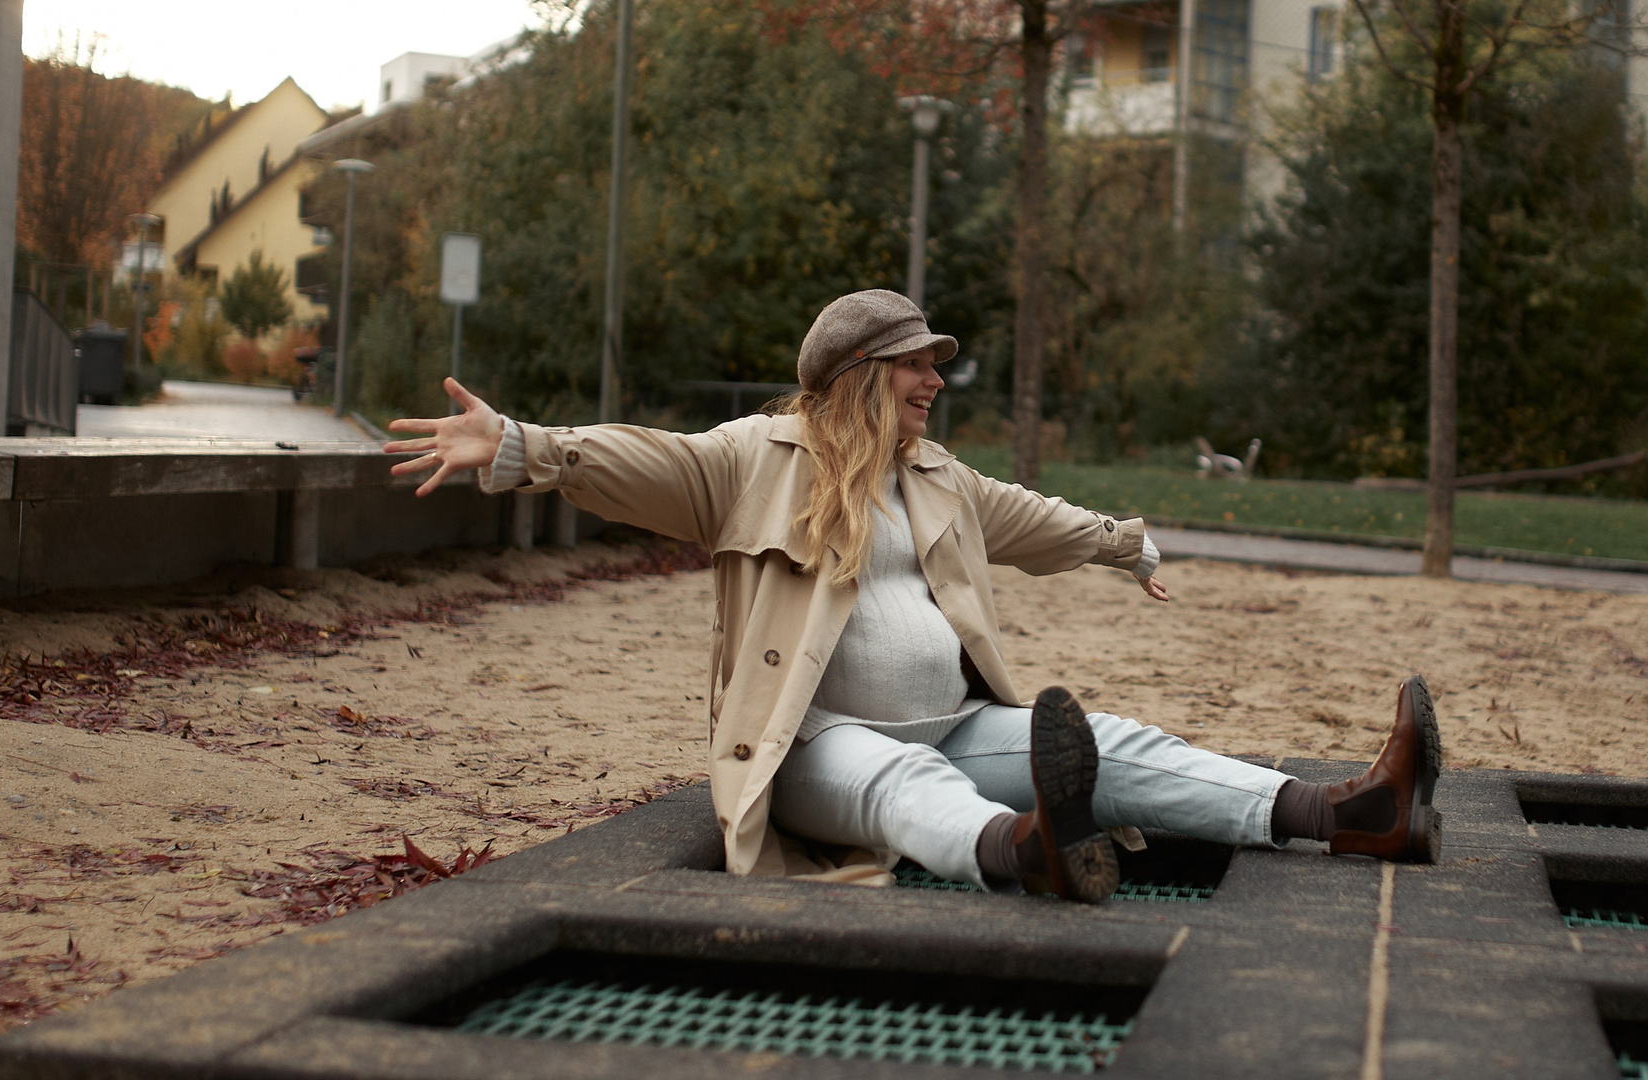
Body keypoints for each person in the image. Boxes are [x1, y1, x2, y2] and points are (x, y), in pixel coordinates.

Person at [382, 289, 1440, 901]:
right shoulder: (754, 459)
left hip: (958, 724)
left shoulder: (938, 478)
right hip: (815, 746)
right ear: (855, 372)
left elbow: (1035, 518)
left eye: (934, 364)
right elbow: (636, 459)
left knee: (1114, 744)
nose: (934, 380)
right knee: (899, 779)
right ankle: (1024, 852)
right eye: (913, 365)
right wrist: (516, 445)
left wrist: (1125, 544)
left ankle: (1347, 811)